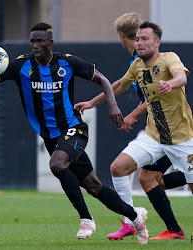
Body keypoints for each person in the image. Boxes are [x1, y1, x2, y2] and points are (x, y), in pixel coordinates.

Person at [0, 22, 149, 244]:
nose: (35, 45)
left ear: (50, 43)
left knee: (57, 165)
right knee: (94, 186)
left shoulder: (67, 62)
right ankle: (136, 217)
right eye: (32, 41)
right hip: (51, 136)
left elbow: (103, 80)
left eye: (40, 41)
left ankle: (86, 219)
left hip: (73, 129)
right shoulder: (21, 65)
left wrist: (112, 105)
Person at [76, 20, 193, 239]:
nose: (139, 42)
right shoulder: (137, 65)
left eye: (145, 39)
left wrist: (172, 83)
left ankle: (173, 230)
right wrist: (92, 102)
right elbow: (120, 85)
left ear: (156, 42)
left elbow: (181, 76)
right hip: (154, 136)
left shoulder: (169, 58)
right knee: (118, 168)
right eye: (137, 39)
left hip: (183, 137)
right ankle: (132, 220)